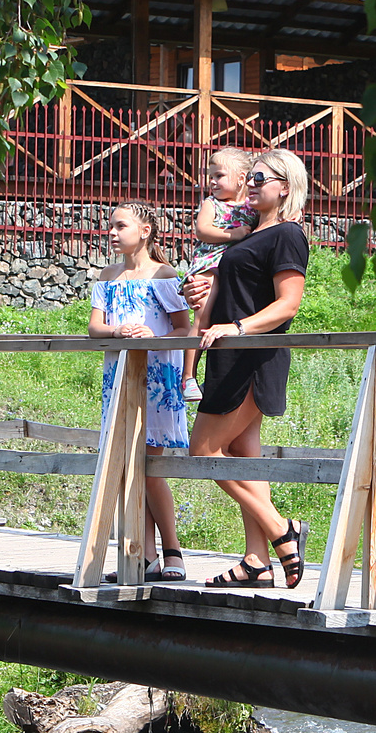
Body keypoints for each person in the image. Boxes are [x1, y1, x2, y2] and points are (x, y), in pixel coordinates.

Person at [185, 148, 314, 589]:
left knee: (201, 451)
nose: (253, 184)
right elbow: (237, 286)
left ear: (286, 186)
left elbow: (288, 304)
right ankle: (255, 560)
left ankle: (281, 529)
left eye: (262, 178)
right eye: (251, 178)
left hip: (250, 357)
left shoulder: (287, 235)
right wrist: (201, 292)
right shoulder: (248, 235)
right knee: (244, 458)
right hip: (230, 351)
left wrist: (237, 326)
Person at [88, 201, 191, 580]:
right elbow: (95, 328)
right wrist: (117, 332)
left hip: (157, 379)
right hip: (118, 377)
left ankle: (173, 551)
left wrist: (154, 335)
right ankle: (141, 555)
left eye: (121, 226)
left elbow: (185, 329)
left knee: (149, 468)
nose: (112, 234)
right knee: (127, 467)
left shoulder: (164, 275)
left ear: (145, 230)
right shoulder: (108, 276)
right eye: (110, 227)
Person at [185, 146, 257, 279]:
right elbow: (202, 230)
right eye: (211, 176)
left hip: (239, 262)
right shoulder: (212, 203)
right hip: (211, 260)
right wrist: (233, 234)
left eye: (219, 176)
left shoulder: (252, 206)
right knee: (205, 287)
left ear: (241, 178)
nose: (212, 181)